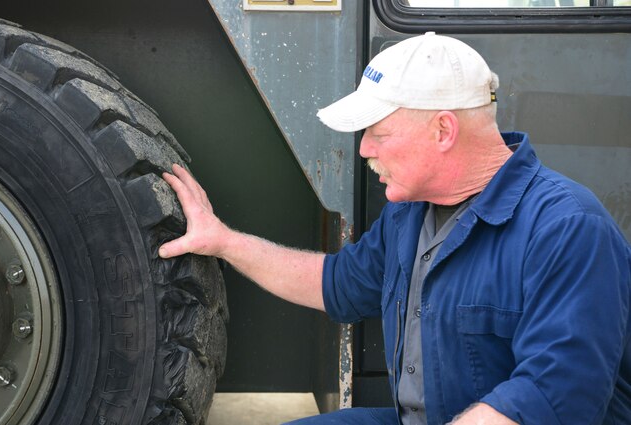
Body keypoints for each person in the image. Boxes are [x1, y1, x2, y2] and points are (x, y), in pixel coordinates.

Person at [158, 32, 631, 424]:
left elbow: (553, 397)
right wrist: (222, 240)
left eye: (378, 134)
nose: (364, 151)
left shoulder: (568, 228)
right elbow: (337, 285)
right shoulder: (410, 213)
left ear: (443, 131)